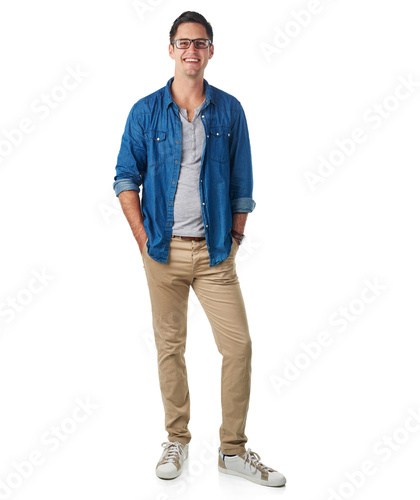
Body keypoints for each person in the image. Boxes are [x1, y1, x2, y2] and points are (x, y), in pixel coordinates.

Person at [113, 11, 286, 487]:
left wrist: (234, 239)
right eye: (184, 42)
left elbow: (242, 183)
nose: (192, 50)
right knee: (170, 348)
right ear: (170, 49)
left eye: (201, 43)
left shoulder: (229, 110)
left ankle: (233, 450)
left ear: (211, 51)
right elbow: (126, 178)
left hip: (214, 255)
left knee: (239, 347)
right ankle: (178, 439)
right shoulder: (145, 111)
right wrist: (144, 240)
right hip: (162, 252)